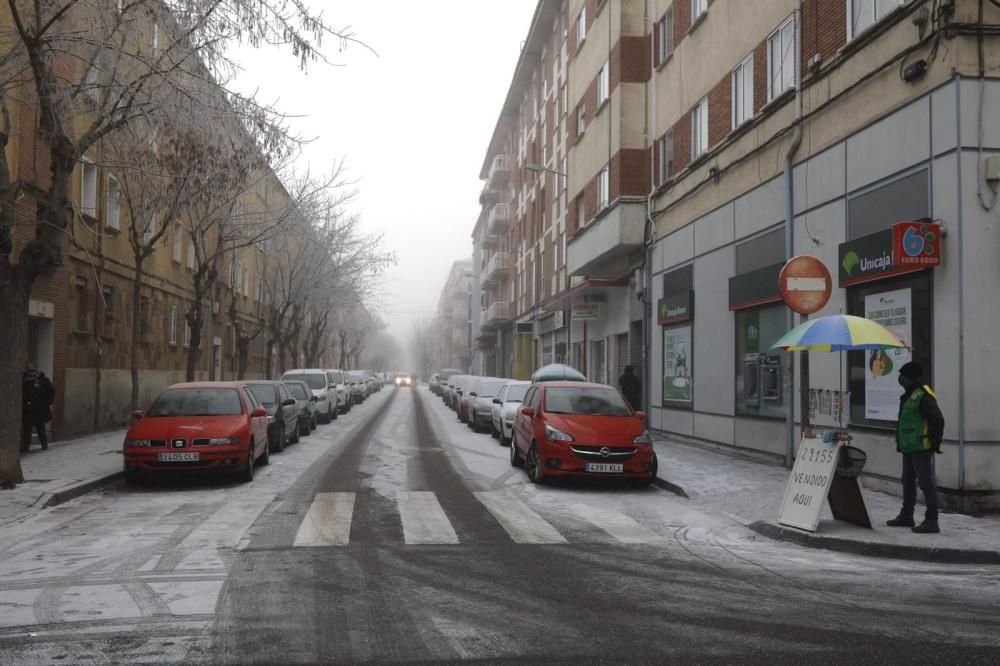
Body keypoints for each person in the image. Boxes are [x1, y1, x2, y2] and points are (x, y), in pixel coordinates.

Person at [886, 361, 944, 534]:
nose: (900, 379)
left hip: (921, 447)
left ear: (909, 378)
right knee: (908, 481)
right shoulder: (909, 394)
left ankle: (932, 520)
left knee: (926, 484)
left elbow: (937, 420)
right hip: (909, 447)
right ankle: (906, 515)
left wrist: (934, 444)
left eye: (902, 376)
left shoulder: (923, 396)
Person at [21, 363, 55, 452]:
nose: (32, 372)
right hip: (27, 409)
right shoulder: (23, 380)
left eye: (33, 370)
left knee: (40, 428)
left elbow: (51, 391)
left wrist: (46, 403)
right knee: (27, 429)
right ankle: (26, 445)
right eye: (30, 370)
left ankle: (44, 444)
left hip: (39, 409)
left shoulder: (43, 379)